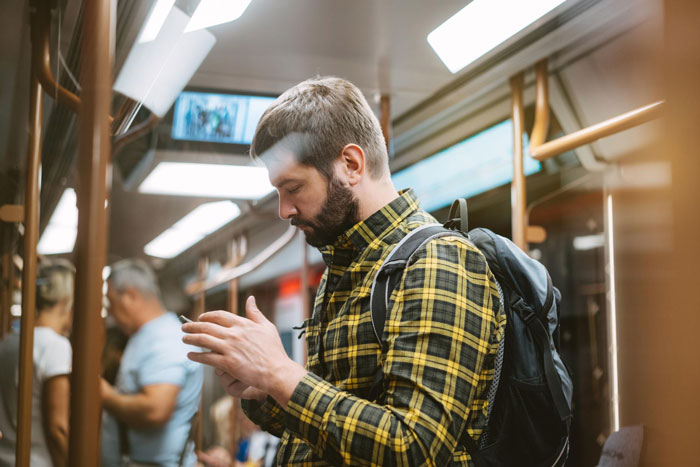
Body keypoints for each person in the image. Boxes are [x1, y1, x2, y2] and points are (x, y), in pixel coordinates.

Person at [182, 76, 505, 465]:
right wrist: (265, 388)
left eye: (293, 187)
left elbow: (411, 447)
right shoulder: (345, 265)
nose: (284, 210)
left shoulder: (437, 261)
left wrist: (281, 373)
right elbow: (336, 433)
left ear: (350, 165)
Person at [100, 259, 203, 467]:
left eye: (111, 303)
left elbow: (155, 410)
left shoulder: (164, 338)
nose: (110, 313)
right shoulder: (146, 334)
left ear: (130, 296)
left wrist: (104, 395)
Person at [0, 259, 75, 467]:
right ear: (67, 299)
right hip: (39, 461)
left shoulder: (8, 342)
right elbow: (57, 428)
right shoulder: (56, 346)